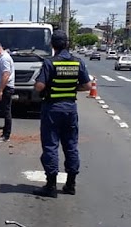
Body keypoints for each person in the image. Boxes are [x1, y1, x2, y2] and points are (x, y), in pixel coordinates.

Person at [33, 30, 92, 197]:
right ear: (67, 44)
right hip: (70, 109)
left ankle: (51, 186)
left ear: (52, 45)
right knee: (71, 146)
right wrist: (72, 89)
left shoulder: (49, 63)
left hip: (52, 109)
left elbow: (39, 87)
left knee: (51, 146)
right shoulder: (77, 62)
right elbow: (87, 86)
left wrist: (38, 84)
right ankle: (71, 184)